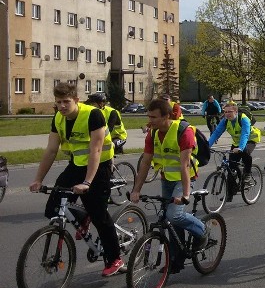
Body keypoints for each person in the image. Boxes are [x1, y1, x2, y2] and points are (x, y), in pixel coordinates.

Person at [29, 83, 124, 277]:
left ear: (76, 100)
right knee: (53, 206)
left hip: (100, 166)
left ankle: (114, 258)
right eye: (59, 102)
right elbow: (51, 150)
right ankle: (83, 216)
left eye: (66, 101)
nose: (62, 106)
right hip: (77, 164)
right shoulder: (58, 118)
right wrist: (38, 179)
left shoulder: (93, 115)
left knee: (99, 214)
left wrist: (87, 182)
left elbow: (96, 150)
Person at [131, 99, 208, 274]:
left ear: (167, 116)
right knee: (170, 221)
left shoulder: (184, 131)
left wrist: (186, 194)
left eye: (154, 117)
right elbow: (145, 163)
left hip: (184, 177)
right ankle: (176, 259)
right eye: (148, 116)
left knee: (175, 215)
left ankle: (202, 230)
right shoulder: (152, 133)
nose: (150, 121)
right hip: (167, 178)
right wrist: (136, 189)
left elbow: (185, 165)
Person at [209, 101, 262, 198]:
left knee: (246, 152)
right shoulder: (225, 121)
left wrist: (241, 148)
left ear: (236, 112)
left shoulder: (243, 119)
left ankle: (248, 173)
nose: (227, 114)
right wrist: (207, 146)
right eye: (225, 112)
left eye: (230, 112)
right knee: (231, 166)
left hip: (250, 139)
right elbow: (216, 133)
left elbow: (245, 134)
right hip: (237, 143)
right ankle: (229, 194)